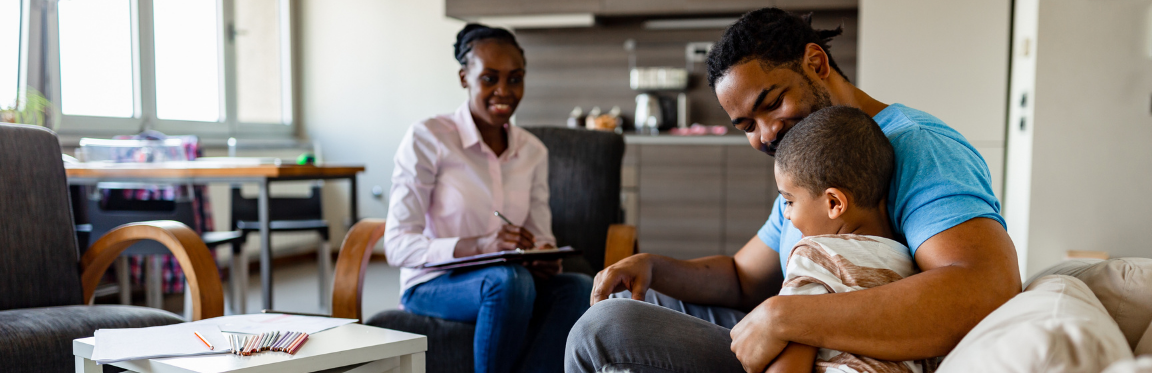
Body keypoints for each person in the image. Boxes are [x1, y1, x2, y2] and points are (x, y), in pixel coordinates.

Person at [566, 8, 1021, 373]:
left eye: (772, 103)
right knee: (633, 298)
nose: (766, 134)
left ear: (816, 64)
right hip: (789, 334)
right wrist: (653, 266)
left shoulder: (916, 145)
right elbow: (744, 277)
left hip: (828, 353)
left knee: (605, 329)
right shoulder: (807, 155)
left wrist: (786, 317)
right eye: (747, 125)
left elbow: (984, 286)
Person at [384, 23, 592, 373]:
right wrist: (481, 245)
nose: (503, 91)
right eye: (489, 78)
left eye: (515, 79)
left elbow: (542, 235)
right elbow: (397, 245)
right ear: (464, 78)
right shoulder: (427, 137)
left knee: (576, 287)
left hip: (512, 281)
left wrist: (543, 255)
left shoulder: (533, 152)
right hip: (434, 283)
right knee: (508, 281)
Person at [764, 106, 926, 373]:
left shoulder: (815, 255)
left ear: (834, 202)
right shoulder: (914, 265)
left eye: (789, 201)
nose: (787, 215)